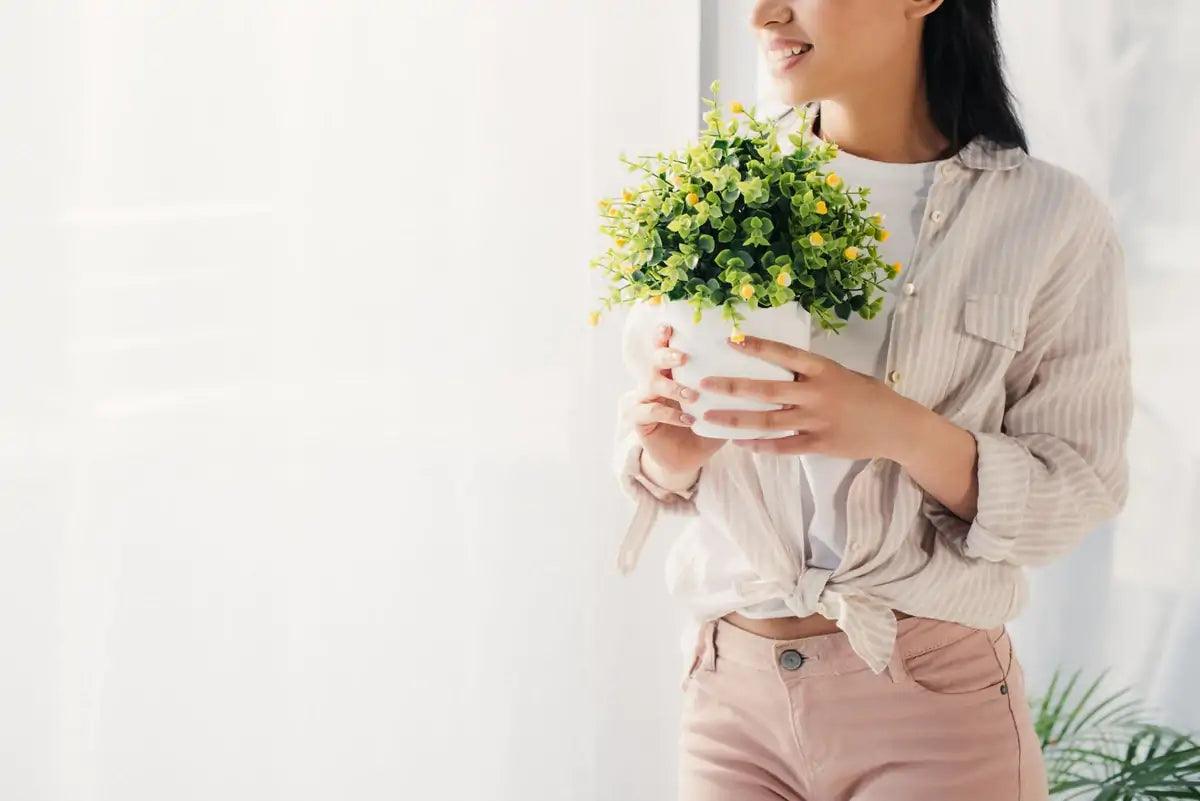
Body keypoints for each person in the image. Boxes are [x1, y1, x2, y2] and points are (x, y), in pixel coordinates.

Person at [610, 1, 1132, 798]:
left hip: (931, 708)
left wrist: (899, 430)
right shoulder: (714, 192)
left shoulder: (1050, 220)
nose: (763, 11)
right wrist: (667, 456)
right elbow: (655, 437)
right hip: (731, 705)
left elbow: (1077, 487)